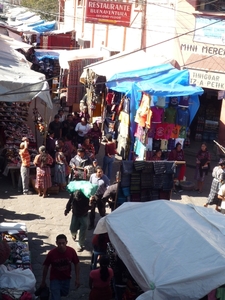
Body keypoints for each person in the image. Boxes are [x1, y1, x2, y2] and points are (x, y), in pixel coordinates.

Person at [40, 234, 80, 300]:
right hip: (55, 279)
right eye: (59, 243)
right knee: (56, 296)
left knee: (65, 293)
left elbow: (76, 263)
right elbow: (46, 267)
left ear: (66, 242)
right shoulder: (51, 253)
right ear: (56, 243)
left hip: (66, 278)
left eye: (63, 243)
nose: (61, 245)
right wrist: (43, 281)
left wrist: (77, 278)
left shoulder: (71, 251)